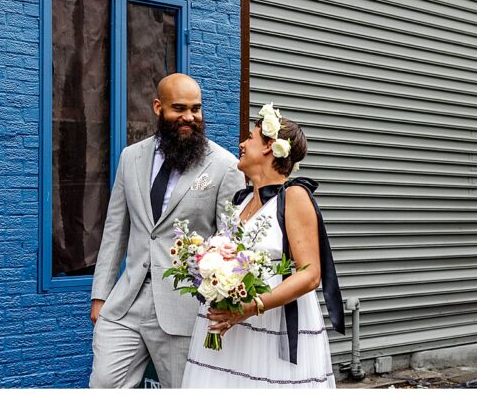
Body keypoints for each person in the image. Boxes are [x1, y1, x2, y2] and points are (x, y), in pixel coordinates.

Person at [89, 73, 245, 388]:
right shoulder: (130, 157)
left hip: (184, 310)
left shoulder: (225, 166)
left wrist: (224, 299)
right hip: (126, 303)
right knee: (103, 384)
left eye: (196, 109)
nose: (189, 117)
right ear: (158, 108)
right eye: (179, 108)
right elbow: (115, 230)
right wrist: (100, 295)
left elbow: (233, 242)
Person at [181, 105, 344, 388]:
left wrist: (251, 305)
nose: (242, 144)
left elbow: (310, 274)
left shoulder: (293, 197)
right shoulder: (239, 201)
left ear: (269, 147)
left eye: (250, 138)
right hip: (231, 331)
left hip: (271, 325)